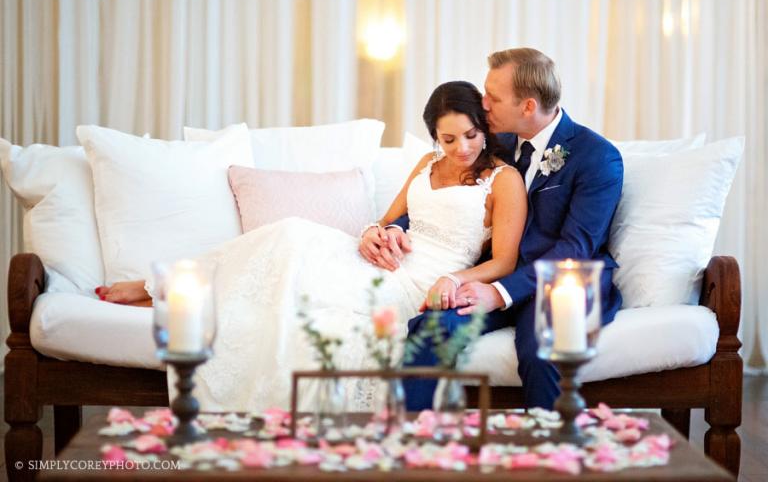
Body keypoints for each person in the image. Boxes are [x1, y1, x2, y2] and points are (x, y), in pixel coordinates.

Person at [96, 81, 528, 412]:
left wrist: (452, 278)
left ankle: (165, 293)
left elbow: (505, 260)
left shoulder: (503, 180)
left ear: (484, 128)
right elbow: (388, 218)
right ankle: (167, 284)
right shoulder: (428, 163)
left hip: (425, 281)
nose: (461, 148)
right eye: (448, 139)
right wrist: (375, 233)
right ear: (434, 135)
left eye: (470, 136)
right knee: (290, 234)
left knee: (295, 294)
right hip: (389, 260)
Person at [360, 48, 624, 411]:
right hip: (492, 273)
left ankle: (546, 457)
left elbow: (575, 248)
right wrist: (392, 226)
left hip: (562, 282)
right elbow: (441, 197)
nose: (482, 105)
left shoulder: (596, 157)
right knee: (432, 328)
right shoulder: (494, 140)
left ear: (528, 106)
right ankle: (412, 445)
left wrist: (499, 291)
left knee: (542, 350)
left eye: (493, 97)